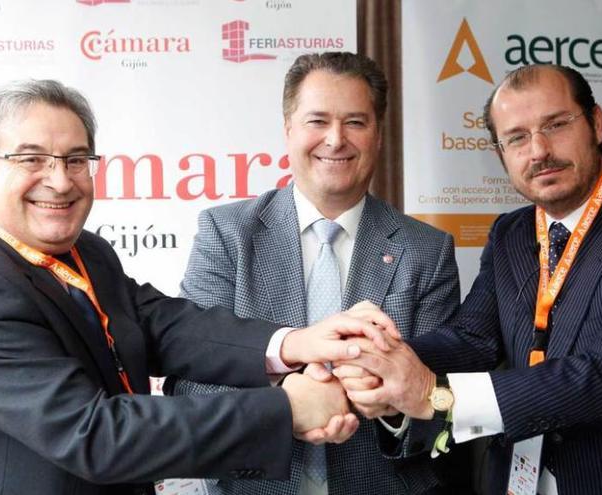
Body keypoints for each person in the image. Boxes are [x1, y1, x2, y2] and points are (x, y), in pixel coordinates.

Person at [0, 79, 399, 495]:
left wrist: (294, 343)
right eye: (31, 159)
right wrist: (287, 408)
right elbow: (96, 435)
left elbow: (163, 326)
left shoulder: (86, 251)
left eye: (75, 159)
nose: (61, 180)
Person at [333, 64, 602, 494]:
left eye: (556, 125)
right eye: (517, 138)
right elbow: (472, 340)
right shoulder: (512, 233)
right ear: (501, 153)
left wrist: (437, 395)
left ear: (596, 124)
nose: (539, 150)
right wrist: (374, 356)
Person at [175, 52, 464, 494]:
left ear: (378, 135)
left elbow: (438, 405)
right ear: (289, 128)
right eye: (317, 121)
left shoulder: (426, 251)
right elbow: (191, 383)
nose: (335, 139)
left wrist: (390, 405)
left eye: (355, 122)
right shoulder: (226, 234)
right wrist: (286, 406)